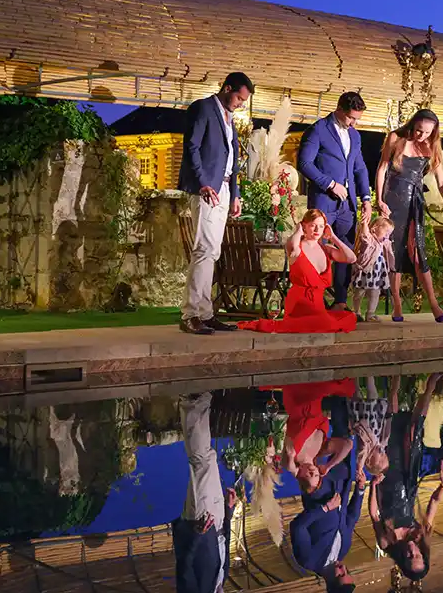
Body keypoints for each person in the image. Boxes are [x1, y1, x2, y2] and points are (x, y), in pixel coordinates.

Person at [179, 72, 254, 335]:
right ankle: (191, 314)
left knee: (213, 251)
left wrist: (235, 194)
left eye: (244, 101)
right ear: (227, 88)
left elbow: (233, 159)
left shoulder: (229, 118)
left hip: (223, 187)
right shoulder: (203, 108)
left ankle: (206, 312)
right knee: (204, 249)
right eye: (238, 97)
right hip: (207, 187)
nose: (240, 103)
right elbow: (192, 147)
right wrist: (203, 183)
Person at [375, 109, 443, 323]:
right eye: (419, 130)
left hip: (415, 202)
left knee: (417, 249)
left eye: (427, 133)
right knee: (394, 250)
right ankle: (396, 304)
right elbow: (382, 168)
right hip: (393, 200)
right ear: (413, 125)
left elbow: (442, 181)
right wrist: (379, 200)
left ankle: (433, 302)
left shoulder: (432, 147)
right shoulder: (396, 138)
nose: (421, 136)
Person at [369, 373, 443, 583]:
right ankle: (431, 384)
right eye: (419, 556)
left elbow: (374, 516)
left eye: (410, 558)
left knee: (391, 430)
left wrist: (372, 484)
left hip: (386, 481)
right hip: (408, 479)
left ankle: (394, 382)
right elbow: (433, 504)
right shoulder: (421, 535)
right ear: (423, 554)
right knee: (414, 430)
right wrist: (442, 486)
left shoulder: (387, 543)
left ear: (403, 561)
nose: (413, 552)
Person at [297, 92, 372, 313]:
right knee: (317, 250)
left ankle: (340, 301)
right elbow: (304, 163)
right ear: (339, 109)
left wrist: (365, 198)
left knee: (345, 250)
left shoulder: (355, 136)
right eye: (350, 118)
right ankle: (314, 302)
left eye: (357, 119)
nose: (353, 123)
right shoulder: (317, 130)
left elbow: (359, 168)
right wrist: (330, 184)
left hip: (347, 206)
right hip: (323, 203)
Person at [238, 209, 358, 333]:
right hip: (298, 305)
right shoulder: (297, 247)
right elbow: (292, 245)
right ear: (304, 225)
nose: (317, 230)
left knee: (348, 318)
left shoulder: (327, 249)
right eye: (313, 225)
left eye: (321, 226)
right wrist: (298, 231)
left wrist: (333, 237)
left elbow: (351, 258)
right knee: (324, 325)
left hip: (317, 307)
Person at [172, 392, 239, 593]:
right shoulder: (221, 580)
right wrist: (228, 511)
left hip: (199, 523)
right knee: (207, 458)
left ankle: (192, 402)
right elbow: (224, 544)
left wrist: (197, 535)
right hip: (216, 521)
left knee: (200, 462)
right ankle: (200, 403)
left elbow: (183, 566)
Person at [291, 452, 365, 593]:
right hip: (343, 479)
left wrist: (325, 508)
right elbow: (352, 518)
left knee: (312, 440)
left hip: (319, 487)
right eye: (347, 572)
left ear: (330, 582)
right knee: (346, 436)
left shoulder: (308, 560)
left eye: (341, 574)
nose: (343, 568)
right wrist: (360, 490)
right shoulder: (344, 550)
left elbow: (298, 527)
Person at [350, 216, 396, 322]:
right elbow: (365, 236)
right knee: (359, 292)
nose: (387, 235)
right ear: (375, 228)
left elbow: (390, 255)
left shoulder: (384, 243)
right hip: (365, 271)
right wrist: (365, 224)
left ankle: (370, 313)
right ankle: (356, 312)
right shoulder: (370, 240)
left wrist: (392, 267)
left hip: (377, 274)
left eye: (389, 233)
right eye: (386, 231)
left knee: (375, 293)